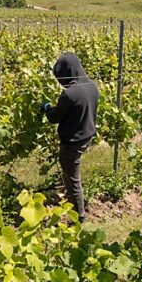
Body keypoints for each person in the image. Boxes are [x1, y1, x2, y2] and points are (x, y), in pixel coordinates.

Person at [41, 53, 99, 223]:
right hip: (86, 135)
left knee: (73, 180)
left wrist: (46, 108)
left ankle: (79, 218)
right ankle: (72, 205)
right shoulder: (92, 86)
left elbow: (54, 118)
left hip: (72, 142)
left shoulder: (70, 94)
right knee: (71, 176)